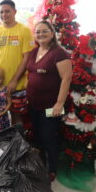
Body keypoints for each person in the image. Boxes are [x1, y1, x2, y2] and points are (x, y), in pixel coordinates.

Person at [26, 20, 72, 181]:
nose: (41, 34)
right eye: (38, 32)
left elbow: (66, 78)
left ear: (52, 33)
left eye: (44, 31)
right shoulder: (34, 51)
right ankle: (41, 167)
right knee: (38, 136)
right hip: (34, 104)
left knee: (49, 137)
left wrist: (59, 103)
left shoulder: (59, 53)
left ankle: (52, 170)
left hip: (51, 106)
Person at [0, 0, 35, 124]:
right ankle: (3, 143)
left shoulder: (24, 30)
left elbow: (27, 57)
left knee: (17, 117)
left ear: (15, 12)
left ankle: (18, 144)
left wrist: (14, 81)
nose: (4, 15)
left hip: (17, 85)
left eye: (7, 11)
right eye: (1, 12)